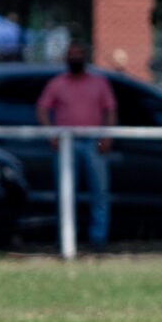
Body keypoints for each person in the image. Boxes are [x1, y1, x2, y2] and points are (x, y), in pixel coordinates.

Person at [36, 42, 117, 250]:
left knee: (99, 192)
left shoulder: (99, 82)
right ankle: (66, 240)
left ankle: (98, 240)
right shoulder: (57, 84)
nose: (75, 58)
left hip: (93, 142)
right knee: (65, 194)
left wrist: (106, 137)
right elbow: (42, 109)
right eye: (72, 54)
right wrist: (52, 135)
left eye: (79, 53)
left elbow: (110, 109)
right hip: (66, 143)